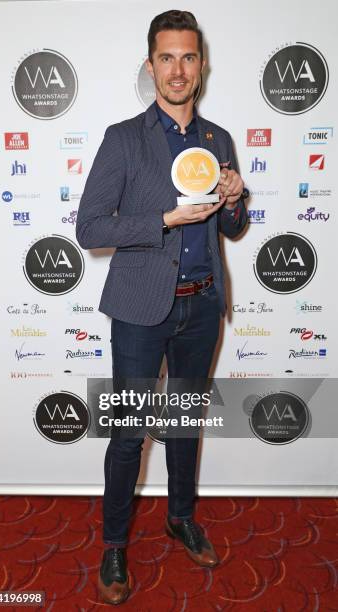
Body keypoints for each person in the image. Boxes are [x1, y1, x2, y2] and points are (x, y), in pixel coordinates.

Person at [76, 9, 248, 605]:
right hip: (141, 308)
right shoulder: (123, 138)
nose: (178, 70)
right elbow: (89, 228)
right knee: (129, 433)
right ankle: (115, 546)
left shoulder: (218, 139)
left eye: (189, 57)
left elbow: (234, 226)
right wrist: (164, 220)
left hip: (202, 307)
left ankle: (179, 517)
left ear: (202, 66)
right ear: (152, 66)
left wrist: (233, 197)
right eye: (167, 58)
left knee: (182, 425)